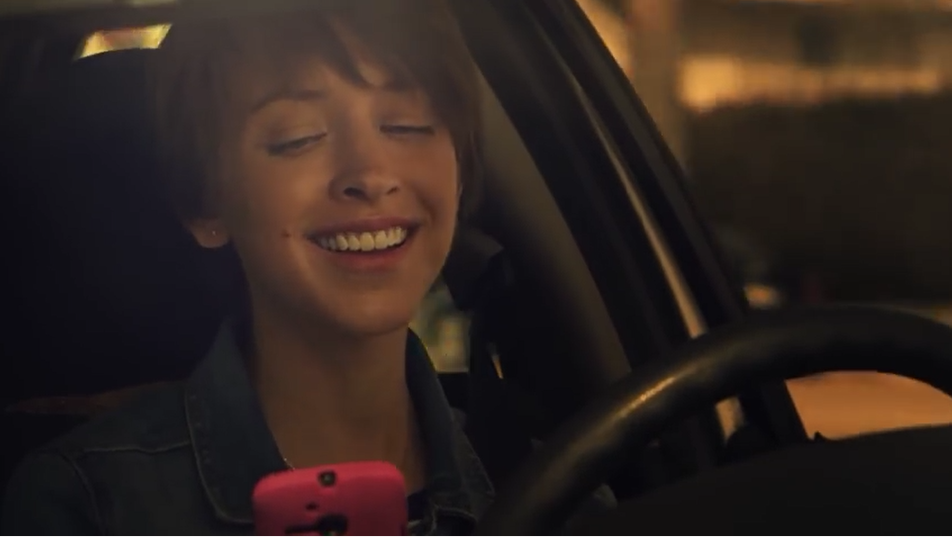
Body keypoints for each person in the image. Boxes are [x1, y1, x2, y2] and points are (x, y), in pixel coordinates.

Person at [1, 0, 493, 534]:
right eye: (298, 138)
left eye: (407, 125)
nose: (371, 175)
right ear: (207, 205)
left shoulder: (537, 469)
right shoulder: (88, 503)